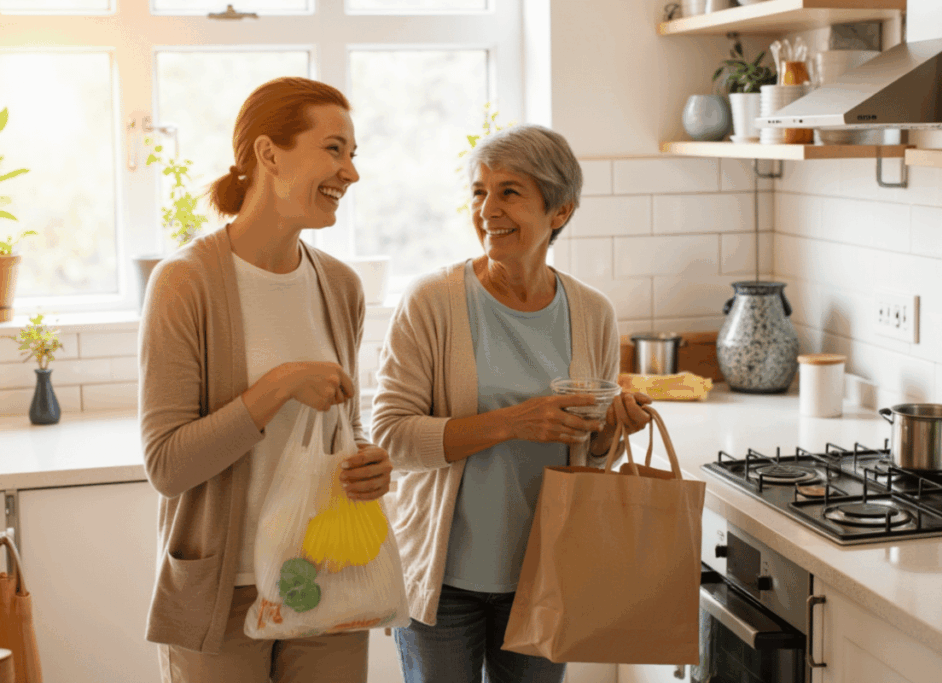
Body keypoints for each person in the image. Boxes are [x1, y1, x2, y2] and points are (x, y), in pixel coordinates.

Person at [371, 123, 652, 683]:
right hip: (443, 582)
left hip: (545, 576)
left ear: (560, 211)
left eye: (509, 192)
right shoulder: (433, 302)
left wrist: (610, 432)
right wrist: (514, 422)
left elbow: (588, 458)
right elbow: (391, 435)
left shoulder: (592, 312)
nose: (487, 209)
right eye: (479, 191)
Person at [138, 76, 393, 683]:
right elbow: (167, 466)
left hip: (327, 581)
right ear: (268, 153)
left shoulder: (341, 286)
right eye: (334, 149)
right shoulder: (186, 283)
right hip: (220, 593)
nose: (350, 173)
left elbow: (344, 423)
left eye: (353, 154)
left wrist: (368, 463)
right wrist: (277, 387)